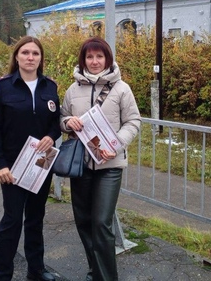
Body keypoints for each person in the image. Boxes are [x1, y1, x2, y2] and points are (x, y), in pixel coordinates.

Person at [60, 37, 141, 281]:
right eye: (89, 57)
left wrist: (115, 146)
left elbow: (133, 121)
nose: (94, 62)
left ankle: (107, 278)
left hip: (110, 166)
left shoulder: (121, 89)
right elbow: (62, 117)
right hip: (81, 165)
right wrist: (66, 122)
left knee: (101, 222)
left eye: (99, 56)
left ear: (107, 58)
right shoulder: (73, 90)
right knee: (83, 220)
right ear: (83, 60)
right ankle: (95, 270)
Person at [0, 36, 60, 281]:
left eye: (35, 54)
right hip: (13, 168)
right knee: (12, 221)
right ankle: (3, 274)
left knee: (36, 219)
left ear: (41, 59)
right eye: (25, 53)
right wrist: (0, 165)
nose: (30, 57)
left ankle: (36, 270)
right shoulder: (3, 87)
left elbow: (55, 124)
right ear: (16, 56)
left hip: (41, 164)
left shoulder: (50, 87)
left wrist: (51, 136)